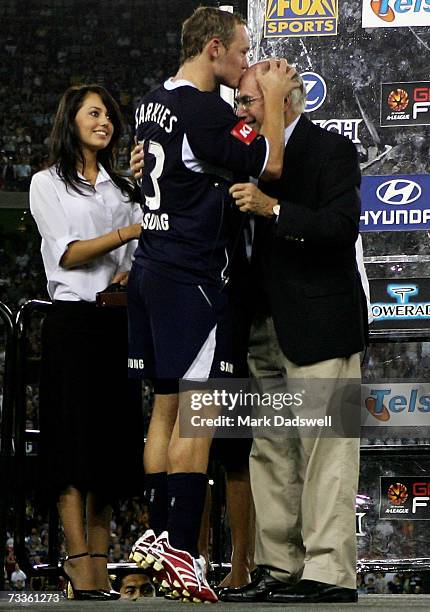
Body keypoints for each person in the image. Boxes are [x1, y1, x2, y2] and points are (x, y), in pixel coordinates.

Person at [128, 6, 299, 604]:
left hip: (149, 266)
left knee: (165, 407)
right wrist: (273, 100)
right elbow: (270, 164)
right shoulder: (202, 109)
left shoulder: (153, 99)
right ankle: (178, 547)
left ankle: (153, 532)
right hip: (189, 274)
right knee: (197, 413)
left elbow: (160, 170)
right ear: (211, 49)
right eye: (242, 50)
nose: (248, 62)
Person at [219, 63, 368, 604]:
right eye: (238, 100)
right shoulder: (242, 152)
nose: (241, 110)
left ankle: (329, 573)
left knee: (325, 452)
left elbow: (339, 227)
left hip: (319, 324)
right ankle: (278, 568)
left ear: (289, 101)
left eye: (251, 100)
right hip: (260, 323)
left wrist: (273, 208)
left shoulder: (329, 149)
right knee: (272, 450)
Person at [30, 84, 143, 601]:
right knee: (70, 449)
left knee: (108, 453)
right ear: (70, 119)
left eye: (109, 116)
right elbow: (70, 255)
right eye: (94, 113)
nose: (105, 122)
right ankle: (78, 563)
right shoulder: (45, 184)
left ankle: (99, 562)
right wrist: (128, 234)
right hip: (70, 326)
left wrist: (128, 271)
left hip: (113, 326)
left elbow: (134, 260)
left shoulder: (121, 189)